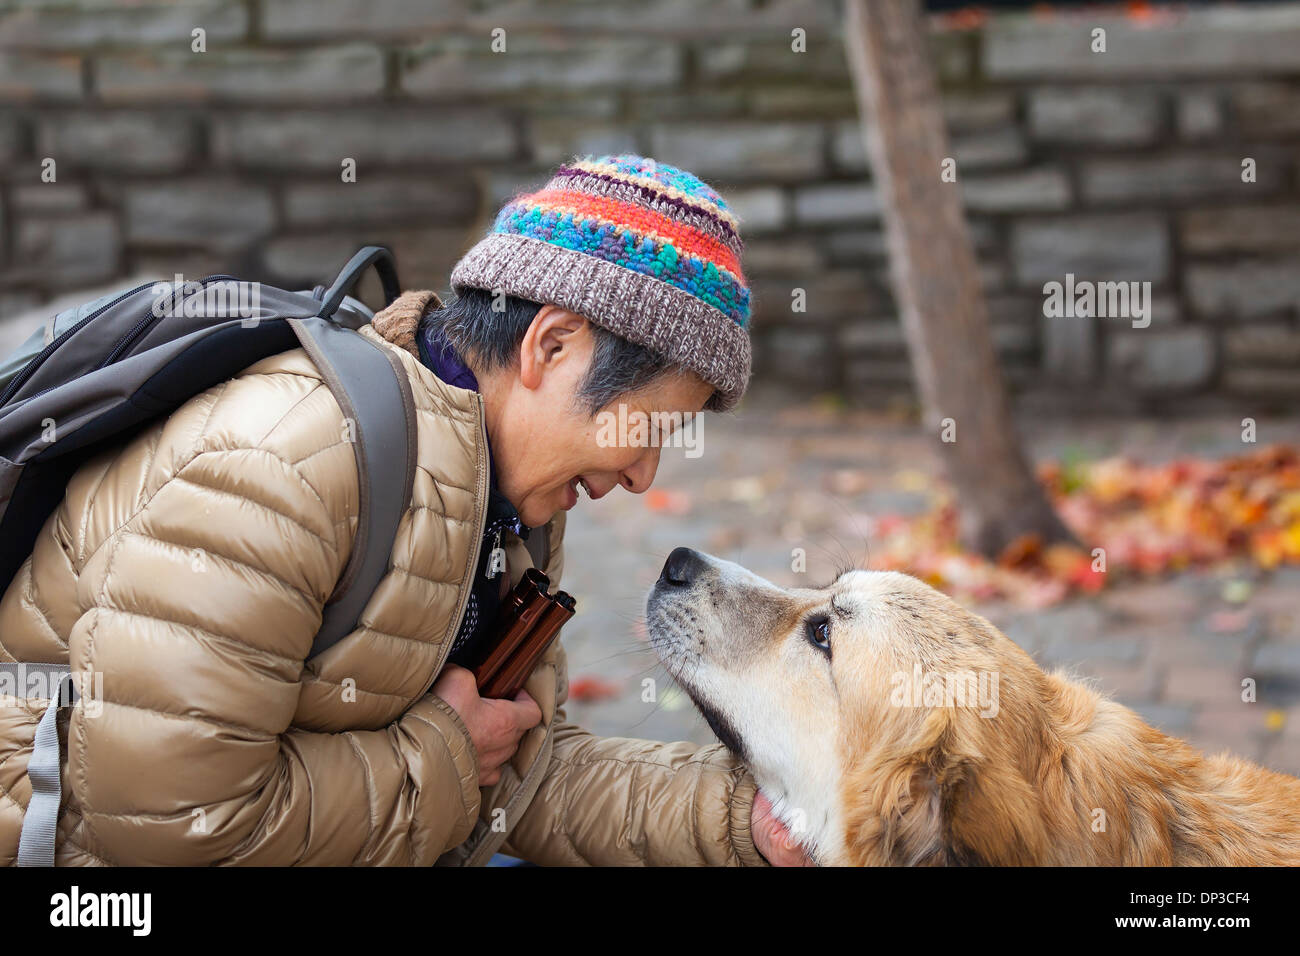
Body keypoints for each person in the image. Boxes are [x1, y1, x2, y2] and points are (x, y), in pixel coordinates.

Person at [0, 154, 810, 866]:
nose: (643, 474)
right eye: (648, 427)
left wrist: (747, 825)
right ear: (551, 346)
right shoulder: (283, 465)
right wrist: (446, 752)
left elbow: (518, 775)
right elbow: (170, 824)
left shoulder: (501, 492)